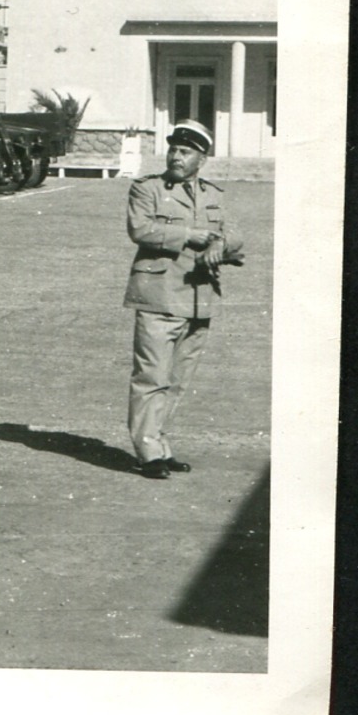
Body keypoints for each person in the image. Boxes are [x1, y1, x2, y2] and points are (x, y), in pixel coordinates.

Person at [123, 119, 244, 479]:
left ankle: (160, 444)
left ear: (201, 158)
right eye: (174, 149)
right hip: (158, 297)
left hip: (200, 299)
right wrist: (191, 236)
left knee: (176, 380)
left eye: (185, 151)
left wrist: (220, 246)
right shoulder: (148, 189)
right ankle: (147, 452)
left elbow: (233, 234)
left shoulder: (213, 194)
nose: (176, 156)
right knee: (151, 376)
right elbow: (141, 229)